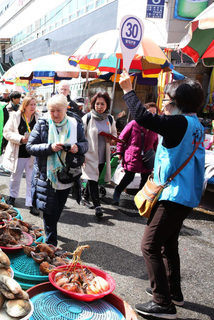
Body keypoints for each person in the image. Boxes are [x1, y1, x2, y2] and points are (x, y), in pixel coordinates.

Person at [119, 70, 205, 319]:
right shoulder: (196, 124)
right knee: (169, 244)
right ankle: (173, 291)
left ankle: (163, 303)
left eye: (167, 100)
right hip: (185, 194)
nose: (164, 104)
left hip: (174, 195)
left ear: (179, 103)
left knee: (150, 245)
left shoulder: (179, 123)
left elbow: (145, 118)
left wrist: (127, 90)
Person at [26, 94, 88, 245]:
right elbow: (30, 146)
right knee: (48, 210)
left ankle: (51, 234)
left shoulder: (74, 123)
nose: (55, 114)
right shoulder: (43, 123)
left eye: (58, 110)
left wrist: (77, 147)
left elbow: (85, 145)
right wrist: (49, 147)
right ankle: (51, 243)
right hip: (47, 176)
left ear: (66, 108)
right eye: (52, 110)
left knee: (57, 209)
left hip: (67, 175)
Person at [113, 103, 159, 204]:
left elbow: (156, 143)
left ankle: (139, 200)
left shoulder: (154, 127)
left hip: (147, 157)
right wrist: (119, 152)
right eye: (149, 112)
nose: (152, 115)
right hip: (133, 155)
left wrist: (156, 157)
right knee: (129, 177)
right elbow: (122, 138)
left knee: (145, 179)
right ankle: (118, 190)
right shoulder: (134, 124)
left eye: (154, 113)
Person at [81, 91, 117, 217]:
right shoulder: (87, 118)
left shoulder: (110, 119)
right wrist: (81, 155)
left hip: (103, 156)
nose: (99, 106)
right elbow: (80, 137)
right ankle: (97, 205)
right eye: (97, 104)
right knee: (93, 181)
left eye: (102, 104)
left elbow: (114, 135)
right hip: (89, 155)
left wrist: (111, 140)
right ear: (93, 104)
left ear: (107, 105)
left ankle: (85, 197)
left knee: (93, 178)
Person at [2, 96, 40, 215]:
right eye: (31, 105)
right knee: (15, 178)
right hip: (17, 153)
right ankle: (12, 197)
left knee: (31, 180)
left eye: (34, 104)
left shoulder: (38, 118)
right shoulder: (15, 116)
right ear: (25, 106)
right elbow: (6, 132)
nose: (33, 107)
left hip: (32, 155)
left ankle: (31, 203)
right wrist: (20, 139)